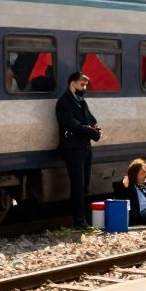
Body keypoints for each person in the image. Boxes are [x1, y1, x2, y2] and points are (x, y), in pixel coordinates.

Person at [56, 72, 102, 228]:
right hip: (72, 148)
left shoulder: (81, 101)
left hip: (84, 146)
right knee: (77, 184)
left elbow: (91, 119)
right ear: (72, 84)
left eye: (85, 85)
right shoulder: (64, 102)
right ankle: (79, 220)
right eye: (82, 85)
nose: (84, 88)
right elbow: (69, 123)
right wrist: (89, 130)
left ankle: (84, 219)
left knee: (85, 185)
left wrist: (95, 128)